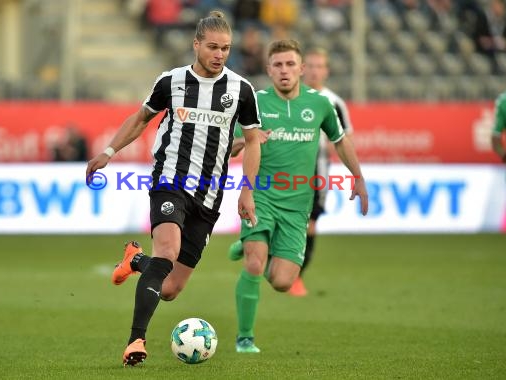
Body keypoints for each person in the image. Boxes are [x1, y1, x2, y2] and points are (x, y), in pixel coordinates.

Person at [85, 11, 261, 366]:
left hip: (210, 194)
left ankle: (135, 259)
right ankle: (136, 341)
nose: (219, 54)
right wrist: (108, 152)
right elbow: (140, 119)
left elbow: (253, 142)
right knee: (167, 251)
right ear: (196, 44)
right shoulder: (171, 82)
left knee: (169, 289)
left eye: (225, 48)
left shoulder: (241, 90)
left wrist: (247, 190)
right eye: (212, 47)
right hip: (170, 180)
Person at [228, 39, 368, 353]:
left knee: (282, 282)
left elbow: (341, 141)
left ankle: (250, 245)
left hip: (297, 203)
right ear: (268, 69)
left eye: (290, 64)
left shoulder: (320, 104)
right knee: (254, 264)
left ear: (302, 69)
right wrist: (250, 140)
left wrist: (357, 177)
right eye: (277, 65)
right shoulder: (256, 102)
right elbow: (232, 146)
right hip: (260, 195)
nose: (284, 70)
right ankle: (245, 338)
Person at [287, 47, 355, 297]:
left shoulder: (334, 102)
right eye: (311, 66)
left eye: (320, 66)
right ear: (303, 69)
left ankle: (296, 277)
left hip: (317, 171)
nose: (315, 71)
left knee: (310, 223)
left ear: (326, 71)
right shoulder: (289, 96)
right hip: (283, 169)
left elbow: (346, 137)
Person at [492, 89, 506, 173]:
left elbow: (495, 139)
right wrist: (505, 156)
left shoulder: (504, 101)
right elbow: (495, 140)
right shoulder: (504, 102)